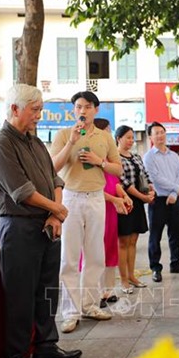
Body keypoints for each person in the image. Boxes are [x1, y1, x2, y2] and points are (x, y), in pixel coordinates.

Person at [0, 84, 82, 358]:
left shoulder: (36, 142)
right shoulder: (1, 144)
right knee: (20, 295)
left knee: (47, 290)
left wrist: (55, 211)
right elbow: (22, 191)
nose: (39, 116)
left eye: (40, 109)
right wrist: (58, 210)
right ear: (15, 109)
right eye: (35, 110)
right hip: (18, 227)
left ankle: (45, 345)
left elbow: (55, 178)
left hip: (47, 224)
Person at [50, 91, 123, 334]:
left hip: (96, 198)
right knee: (69, 257)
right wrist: (71, 142)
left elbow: (118, 169)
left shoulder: (105, 137)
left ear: (96, 110)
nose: (83, 111)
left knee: (95, 254)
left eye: (88, 106)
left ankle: (90, 304)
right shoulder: (62, 135)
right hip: (70, 197)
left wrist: (98, 161)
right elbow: (53, 167)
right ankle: (70, 312)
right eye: (79, 107)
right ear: (73, 110)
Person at [85, 118, 132, 307]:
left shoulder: (107, 159)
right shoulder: (89, 158)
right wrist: (115, 199)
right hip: (97, 208)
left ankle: (108, 289)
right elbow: (93, 188)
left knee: (110, 248)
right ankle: (94, 293)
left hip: (111, 211)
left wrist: (122, 195)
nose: (108, 135)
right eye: (106, 131)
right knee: (95, 250)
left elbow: (115, 182)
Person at [143, 122, 179, 282]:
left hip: (174, 199)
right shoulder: (148, 157)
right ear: (150, 137)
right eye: (156, 133)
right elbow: (156, 178)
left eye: (162, 132)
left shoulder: (174, 156)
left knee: (176, 234)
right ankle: (155, 268)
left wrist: (174, 193)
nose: (160, 136)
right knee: (155, 236)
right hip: (158, 200)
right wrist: (176, 189)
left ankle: (175, 263)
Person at [115, 125, 155, 292]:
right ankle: (123, 279)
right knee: (123, 242)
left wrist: (151, 189)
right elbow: (124, 182)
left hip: (138, 202)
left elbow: (145, 175)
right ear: (118, 139)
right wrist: (142, 196)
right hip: (124, 201)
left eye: (132, 137)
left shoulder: (137, 156)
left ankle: (132, 275)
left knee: (133, 241)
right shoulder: (115, 158)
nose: (131, 140)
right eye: (128, 137)